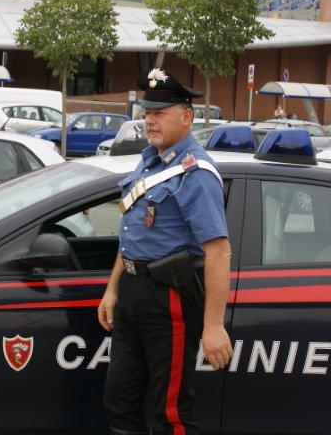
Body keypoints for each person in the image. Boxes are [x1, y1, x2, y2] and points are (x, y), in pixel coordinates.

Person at [98, 68, 232, 435]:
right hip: (132, 292)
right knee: (121, 399)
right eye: (147, 113)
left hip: (167, 298)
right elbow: (132, 235)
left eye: (159, 113)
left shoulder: (196, 173)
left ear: (186, 117)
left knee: (168, 409)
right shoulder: (150, 160)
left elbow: (219, 251)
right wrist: (113, 289)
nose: (149, 121)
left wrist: (213, 325)